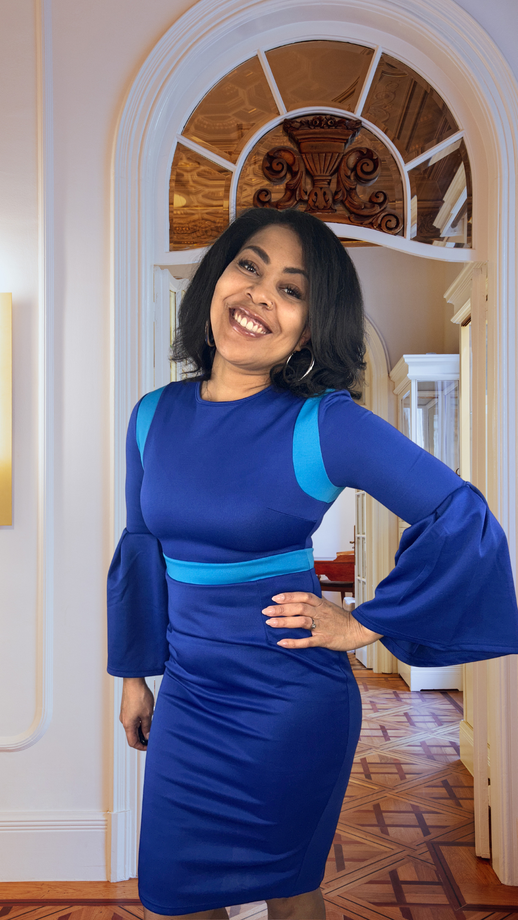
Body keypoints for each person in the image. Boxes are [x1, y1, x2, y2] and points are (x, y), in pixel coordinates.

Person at [107, 208, 518, 920]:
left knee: (290, 892)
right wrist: (133, 678)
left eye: (291, 289)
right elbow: (140, 550)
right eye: (249, 266)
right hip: (189, 699)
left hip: (288, 705)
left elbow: (461, 515)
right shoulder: (151, 416)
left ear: (311, 322)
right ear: (216, 278)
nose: (262, 294)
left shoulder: (325, 422)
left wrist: (365, 624)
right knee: (177, 894)